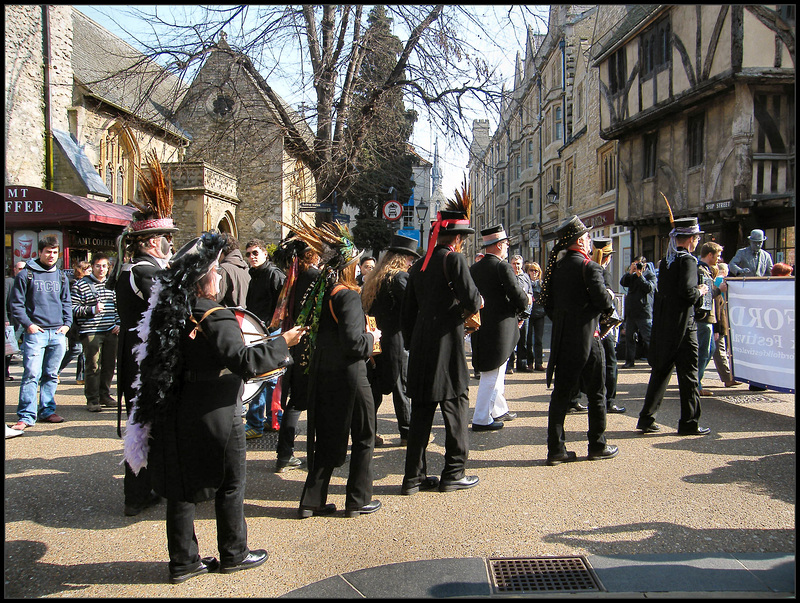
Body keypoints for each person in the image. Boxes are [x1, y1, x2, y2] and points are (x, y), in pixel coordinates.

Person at [123, 232, 306, 583]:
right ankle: (234, 553)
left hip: (177, 407)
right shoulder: (214, 314)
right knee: (231, 484)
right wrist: (283, 342)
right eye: (215, 271)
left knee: (182, 488)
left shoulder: (170, 311)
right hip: (218, 410)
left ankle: (183, 562)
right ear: (202, 277)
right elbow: (244, 362)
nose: (221, 276)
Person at [290, 219, 383, 519]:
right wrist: (372, 337)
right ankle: (358, 499)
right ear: (347, 265)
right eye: (355, 263)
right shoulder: (347, 295)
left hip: (324, 371)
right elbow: (355, 343)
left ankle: (312, 500)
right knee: (365, 434)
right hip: (350, 374)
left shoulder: (325, 292)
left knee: (328, 435)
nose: (358, 268)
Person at [400, 184, 483, 495]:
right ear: (458, 238)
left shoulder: (419, 265)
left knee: (421, 411)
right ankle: (454, 472)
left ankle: (413, 478)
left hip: (421, 345)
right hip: (446, 345)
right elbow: (472, 300)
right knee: (456, 406)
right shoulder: (453, 259)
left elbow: (407, 313)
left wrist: (413, 342)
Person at [109, 150, 179, 517]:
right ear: (153, 242)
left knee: (146, 425)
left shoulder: (139, 269)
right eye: (166, 237)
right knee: (146, 426)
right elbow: (171, 309)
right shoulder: (145, 272)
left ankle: (145, 487)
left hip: (138, 358)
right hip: (144, 362)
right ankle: (138, 494)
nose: (171, 242)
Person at [539, 216, 618, 465]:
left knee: (561, 395)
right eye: (587, 237)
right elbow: (604, 303)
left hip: (563, 339)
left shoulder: (558, 268)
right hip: (588, 339)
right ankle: (597, 444)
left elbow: (548, 304)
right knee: (596, 393)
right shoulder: (590, 267)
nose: (589, 241)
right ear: (580, 241)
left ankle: (556, 449)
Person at [636, 216, 711, 436]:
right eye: (696, 238)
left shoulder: (666, 260)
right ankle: (689, 422)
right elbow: (687, 293)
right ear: (691, 239)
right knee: (688, 375)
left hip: (666, 325)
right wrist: (701, 291)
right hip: (684, 327)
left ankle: (647, 418)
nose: (697, 242)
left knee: (661, 373)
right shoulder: (687, 260)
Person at [8, 235, 72, 430]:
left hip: (58, 332)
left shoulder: (61, 275)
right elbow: (16, 304)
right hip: (36, 333)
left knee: (51, 374)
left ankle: (47, 410)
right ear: (40, 252)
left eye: (55, 252)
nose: (51, 256)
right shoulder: (25, 274)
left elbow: (66, 301)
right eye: (48, 252)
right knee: (31, 374)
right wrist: (29, 325)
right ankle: (26, 416)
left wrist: (67, 324)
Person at [269, 232, 321, 473]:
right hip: (309, 346)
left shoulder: (294, 276)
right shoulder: (314, 276)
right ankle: (315, 454)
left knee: (295, 402)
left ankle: (284, 454)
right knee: (311, 401)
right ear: (311, 252)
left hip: (292, 342)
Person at [362, 233, 419, 447]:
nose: (411, 264)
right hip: (396, 339)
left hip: (376, 338)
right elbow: (412, 307)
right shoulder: (399, 278)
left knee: (375, 387)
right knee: (400, 387)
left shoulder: (375, 278)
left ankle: (369, 431)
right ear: (401, 258)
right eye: (410, 259)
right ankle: (406, 433)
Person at [470, 227, 529, 431]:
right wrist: (526, 302)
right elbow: (516, 293)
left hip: (482, 325)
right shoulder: (502, 267)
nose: (507, 247)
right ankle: (481, 418)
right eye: (505, 244)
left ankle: (498, 409)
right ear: (498, 245)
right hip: (500, 326)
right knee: (492, 373)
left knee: (498, 369)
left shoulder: (474, 268)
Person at [243, 238, 286, 438]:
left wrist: (273, 324)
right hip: (258, 331)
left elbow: (283, 304)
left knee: (267, 379)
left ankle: (265, 422)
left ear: (265, 254)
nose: (252, 257)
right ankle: (261, 422)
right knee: (260, 378)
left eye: (255, 253)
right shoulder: (255, 274)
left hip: (269, 331)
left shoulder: (273, 274)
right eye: (249, 254)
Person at [71, 253, 119, 412]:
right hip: (91, 330)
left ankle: (105, 394)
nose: (101, 269)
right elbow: (73, 308)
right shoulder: (80, 284)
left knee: (109, 366)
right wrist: (92, 309)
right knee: (93, 366)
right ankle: (92, 399)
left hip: (110, 330)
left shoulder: (112, 285)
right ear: (92, 266)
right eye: (98, 266)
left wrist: (119, 323)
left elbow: (119, 307)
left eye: (104, 266)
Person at [619, 255, 656, 368]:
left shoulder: (650, 275)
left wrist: (640, 276)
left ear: (645, 264)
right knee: (630, 338)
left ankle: (654, 363)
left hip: (644, 312)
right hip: (631, 312)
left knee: (648, 338)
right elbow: (623, 283)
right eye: (635, 264)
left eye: (639, 264)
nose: (637, 266)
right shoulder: (632, 276)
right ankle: (629, 361)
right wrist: (630, 272)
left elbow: (649, 288)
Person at [696, 242, 723, 397]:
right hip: (703, 318)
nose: (718, 259)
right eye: (717, 256)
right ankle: (696, 384)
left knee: (710, 350)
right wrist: (720, 290)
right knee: (703, 352)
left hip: (707, 319)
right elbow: (705, 296)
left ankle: (697, 382)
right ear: (710, 255)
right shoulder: (700, 270)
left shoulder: (705, 270)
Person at [58, 260, 90, 384]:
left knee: (83, 351)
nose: (91, 273)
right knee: (76, 349)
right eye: (88, 270)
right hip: (74, 323)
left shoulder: (89, 284)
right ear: (81, 271)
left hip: (85, 321)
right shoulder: (73, 284)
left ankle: (81, 377)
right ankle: (55, 370)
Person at [710, 262, 740, 388]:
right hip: (719, 319)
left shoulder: (713, 283)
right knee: (719, 349)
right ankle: (728, 378)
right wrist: (717, 328)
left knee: (713, 350)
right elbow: (717, 306)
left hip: (715, 319)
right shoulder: (720, 284)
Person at [507, 254, 534, 373]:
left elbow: (530, 295)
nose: (516, 266)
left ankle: (522, 364)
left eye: (518, 264)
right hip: (512, 314)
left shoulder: (526, 277)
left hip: (524, 314)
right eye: (514, 263)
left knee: (523, 340)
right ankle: (510, 365)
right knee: (511, 340)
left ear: (522, 265)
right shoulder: (508, 276)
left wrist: (526, 314)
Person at [216, 234, 251, 308]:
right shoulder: (246, 268)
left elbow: (215, 298)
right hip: (244, 317)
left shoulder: (223, 270)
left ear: (221, 251)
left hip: (227, 316)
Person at [5, 261, 26, 381]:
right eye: (19, 268)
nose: (21, 270)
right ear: (14, 269)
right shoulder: (9, 282)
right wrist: (5, 319)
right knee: (9, 348)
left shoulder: (27, 281)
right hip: (12, 320)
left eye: (24, 268)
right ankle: (5, 373)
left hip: (25, 320)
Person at [524, 261, 547, 371]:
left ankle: (539, 362)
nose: (534, 273)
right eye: (531, 270)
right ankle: (529, 363)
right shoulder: (526, 283)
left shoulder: (542, 284)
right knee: (528, 340)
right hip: (528, 314)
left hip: (540, 314)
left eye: (536, 271)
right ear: (528, 272)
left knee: (538, 340)